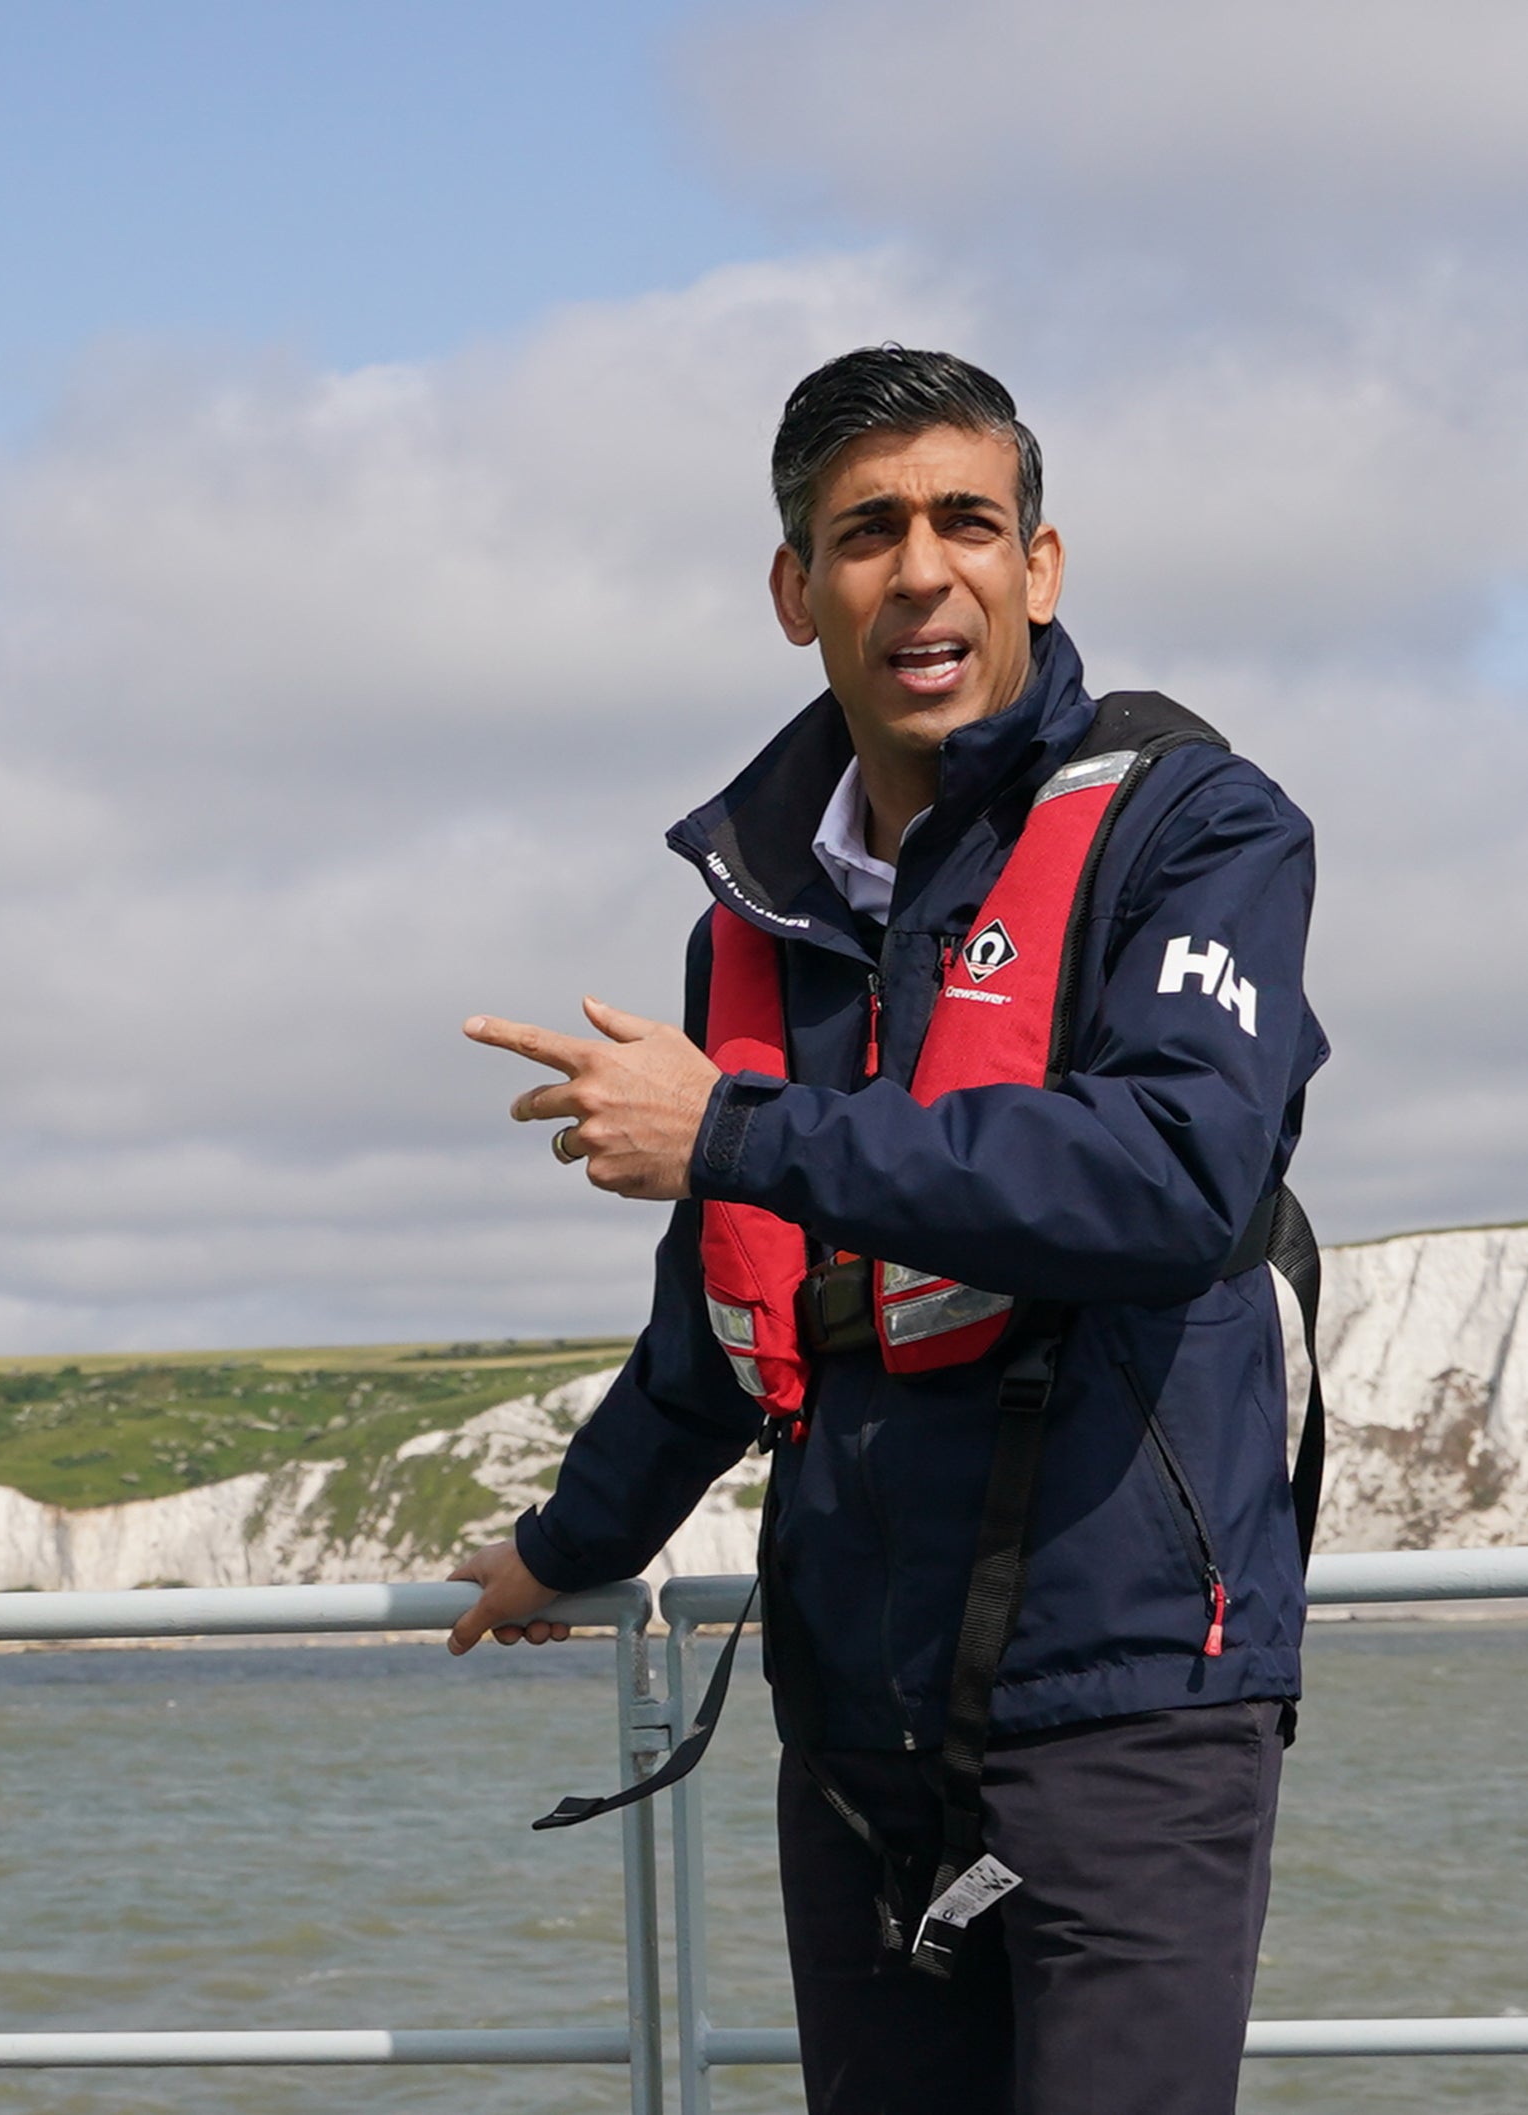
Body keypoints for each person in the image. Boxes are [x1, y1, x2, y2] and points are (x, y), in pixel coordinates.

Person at [448, 346, 1325, 2115]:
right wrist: (563, 1542)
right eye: (864, 533)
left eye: (964, 521)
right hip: (851, 1721)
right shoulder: (752, 918)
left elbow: (1170, 1177)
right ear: (796, 591)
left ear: (1039, 565)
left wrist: (734, 1129)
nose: (920, 568)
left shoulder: (1199, 831)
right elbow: (732, 1318)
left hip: (1130, 1698)